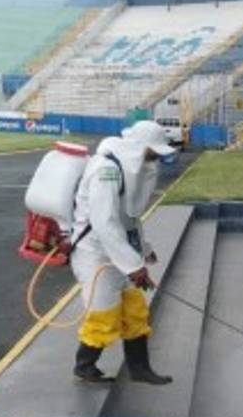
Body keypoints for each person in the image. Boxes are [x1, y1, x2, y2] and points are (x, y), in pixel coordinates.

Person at [71, 120, 175, 385]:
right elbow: (105, 223)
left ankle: (139, 369)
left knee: (135, 310)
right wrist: (134, 266)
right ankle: (84, 366)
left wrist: (144, 250)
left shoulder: (132, 169)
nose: (154, 160)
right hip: (94, 252)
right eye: (152, 153)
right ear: (139, 147)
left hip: (120, 250)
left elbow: (129, 218)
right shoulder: (106, 170)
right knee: (104, 313)